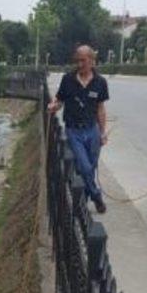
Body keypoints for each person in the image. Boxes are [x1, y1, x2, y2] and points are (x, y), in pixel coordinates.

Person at [48, 45, 109, 214]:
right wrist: (54, 106)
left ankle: (84, 198)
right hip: (74, 131)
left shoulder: (100, 82)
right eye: (78, 60)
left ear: (92, 61)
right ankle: (96, 196)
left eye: (83, 60)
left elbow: (101, 109)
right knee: (84, 167)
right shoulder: (68, 79)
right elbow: (59, 100)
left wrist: (102, 132)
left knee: (91, 166)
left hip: (92, 130)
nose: (80, 64)